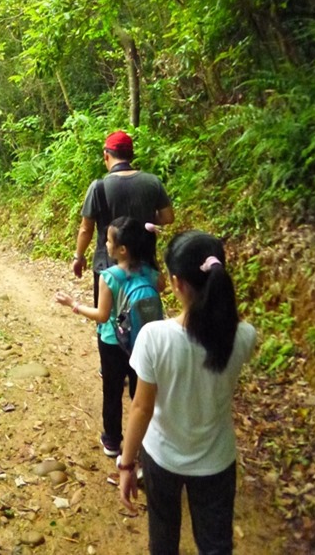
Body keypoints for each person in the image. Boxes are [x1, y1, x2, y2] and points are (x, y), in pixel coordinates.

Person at [117, 231, 256, 555]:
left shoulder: (154, 337)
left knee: (163, 539)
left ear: (177, 283)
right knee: (216, 545)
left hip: (162, 457)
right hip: (217, 462)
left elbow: (141, 408)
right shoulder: (245, 336)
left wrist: (126, 465)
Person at [56, 217, 163, 457]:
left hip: (114, 343)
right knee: (141, 393)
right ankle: (145, 443)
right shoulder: (150, 272)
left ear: (122, 249)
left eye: (109, 240)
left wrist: (74, 304)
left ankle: (113, 441)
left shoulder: (110, 276)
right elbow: (162, 287)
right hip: (144, 342)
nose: (105, 243)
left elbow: (102, 315)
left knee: (112, 392)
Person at [72, 130, 174, 308]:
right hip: (144, 264)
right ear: (131, 155)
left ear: (106, 155)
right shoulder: (152, 182)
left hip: (108, 266)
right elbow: (167, 217)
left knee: (109, 323)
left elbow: (85, 229)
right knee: (144, 317)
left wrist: (78, 257)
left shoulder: (98, 187)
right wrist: (147, 216)